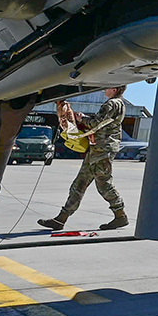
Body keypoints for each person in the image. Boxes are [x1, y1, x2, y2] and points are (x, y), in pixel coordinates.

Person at [40, 86, 129, 232]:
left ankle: (120, 215)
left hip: (102, 150)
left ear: (115, 89)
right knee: (79, 183)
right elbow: (101, 122)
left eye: (107, 87)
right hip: (98, 149)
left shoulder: (112, 104)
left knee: (104, 184)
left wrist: (82, 118)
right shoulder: (119, 104)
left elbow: (96, 123)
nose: (104, 90)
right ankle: (61, 219)